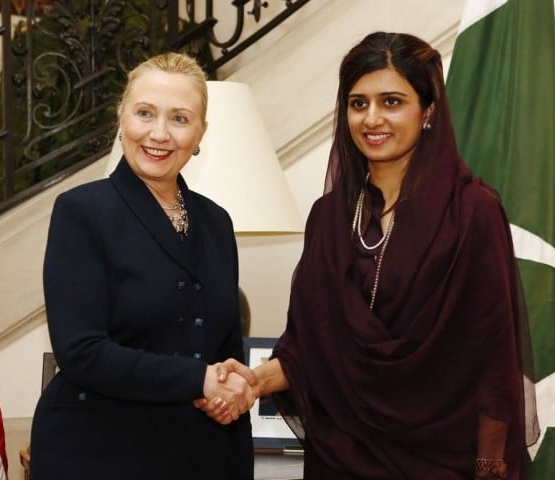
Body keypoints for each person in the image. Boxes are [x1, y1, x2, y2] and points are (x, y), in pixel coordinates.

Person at [198, 32, 538, 479]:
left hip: (444, 462)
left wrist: (491, 467)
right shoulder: (328, 218)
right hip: (341, 459)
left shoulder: (471, 211)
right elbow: (309, 354)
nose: (372, 119)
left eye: (392, 101)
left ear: (429, 110)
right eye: (358, 103)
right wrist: (250, 382)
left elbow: (494, 358)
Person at [29, 52, 255, 480]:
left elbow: (224, 348)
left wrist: (234, 386)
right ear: (122, 118)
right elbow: (81, 353)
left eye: (180, 118)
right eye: (145, 113)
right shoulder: (82, 211)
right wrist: (200, 380)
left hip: (200, 455)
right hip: (99, 454)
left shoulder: (217, 221)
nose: (159, 134)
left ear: (201, 132)